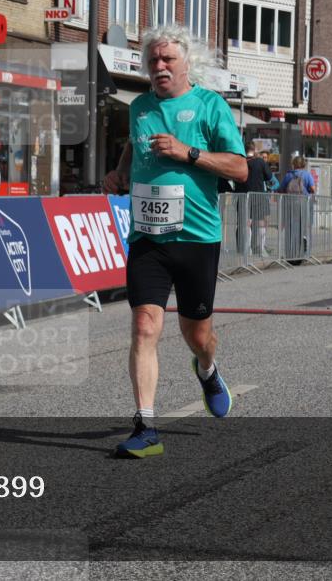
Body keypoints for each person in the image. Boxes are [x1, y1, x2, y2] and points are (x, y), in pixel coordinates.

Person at [103, 23, 247, 459]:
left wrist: (188, 153)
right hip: (147, 237)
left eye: (168, 59)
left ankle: (207, 369)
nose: (159, 66)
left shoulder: (210, 106)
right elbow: (133, 146)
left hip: (197, 238)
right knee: (145, 325)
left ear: (188, 63)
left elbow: (240, 169)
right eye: (153, 60)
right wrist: (121, 172)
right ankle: (146, 426)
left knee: (197, 333)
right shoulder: (139, 107)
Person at [244, 146, 273, 255]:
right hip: (258, 195)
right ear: (254, 152)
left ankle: (248, 249)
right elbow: (269, 177)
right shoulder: (260, 162)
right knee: (261, 222)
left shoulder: (242, 161)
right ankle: (261, 248)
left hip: (244, 195)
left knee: (248, 222)